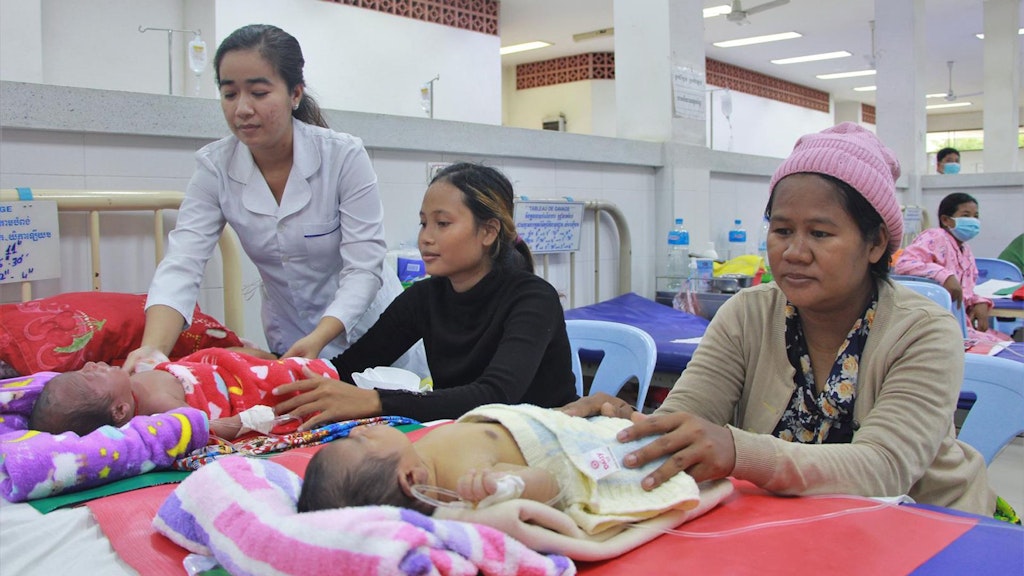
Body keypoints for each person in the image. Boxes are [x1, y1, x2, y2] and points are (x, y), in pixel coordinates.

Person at [563, 123, 1010, 522]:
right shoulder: (748, 313)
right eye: (781, 231)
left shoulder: (922, 331)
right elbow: (691, 418)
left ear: (875, 243)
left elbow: (885, 468)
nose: (794, 252)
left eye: (820, 233)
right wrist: (627, 427)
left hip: (929, 531)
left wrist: (738, 451)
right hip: (792, 529)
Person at [124, 24, 424, 375]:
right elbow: (183, 262)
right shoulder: (214, 167)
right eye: (229, 93)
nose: (242, 109)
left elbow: (363, 266)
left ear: (295, 94)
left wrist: (319, 338)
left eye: (259, 93)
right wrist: (152, 350)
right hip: (293, 338)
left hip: (373, 334)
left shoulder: (343, 156)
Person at [272, 163, 578, 428]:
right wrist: (276, 368)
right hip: (466, 434)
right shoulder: (425, 297)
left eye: (442, 223)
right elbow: (350, 367)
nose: (426, 237)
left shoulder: (532, 299)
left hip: (542, 432)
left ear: (488, 232)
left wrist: (376, 401)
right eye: (423, 223)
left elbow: (495, 396)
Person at [296, 403, 700, 535]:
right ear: (410, 480)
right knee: (653, 439)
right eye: (360, 441)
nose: (363, 430)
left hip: (542, 418)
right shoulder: (465, 485)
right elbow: (550, 485)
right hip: (577, 444)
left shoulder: (420, 452)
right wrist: (506, 486)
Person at [28, 348, 337, 440]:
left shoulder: (132, 380)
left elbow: (175, 368)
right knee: (303, 379)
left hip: (222, 366)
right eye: (89, 379)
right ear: (120, 411)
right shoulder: (158, 407)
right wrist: (251, 419)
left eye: (82, 370)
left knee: (256, 356)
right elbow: (202, 426)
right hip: (243, 386)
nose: (91, 365)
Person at [893, 192, 1011, 343]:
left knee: (1007, 343)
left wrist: (979, 302)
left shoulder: (965, 250)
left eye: (976, 216)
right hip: (939, 327)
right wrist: (944, 275)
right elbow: (904, 264)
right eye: (966, 215)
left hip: (962, 324)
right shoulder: (936, 237)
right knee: (1004, 348)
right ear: (946, 220)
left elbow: (967, 289)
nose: (973, 221)